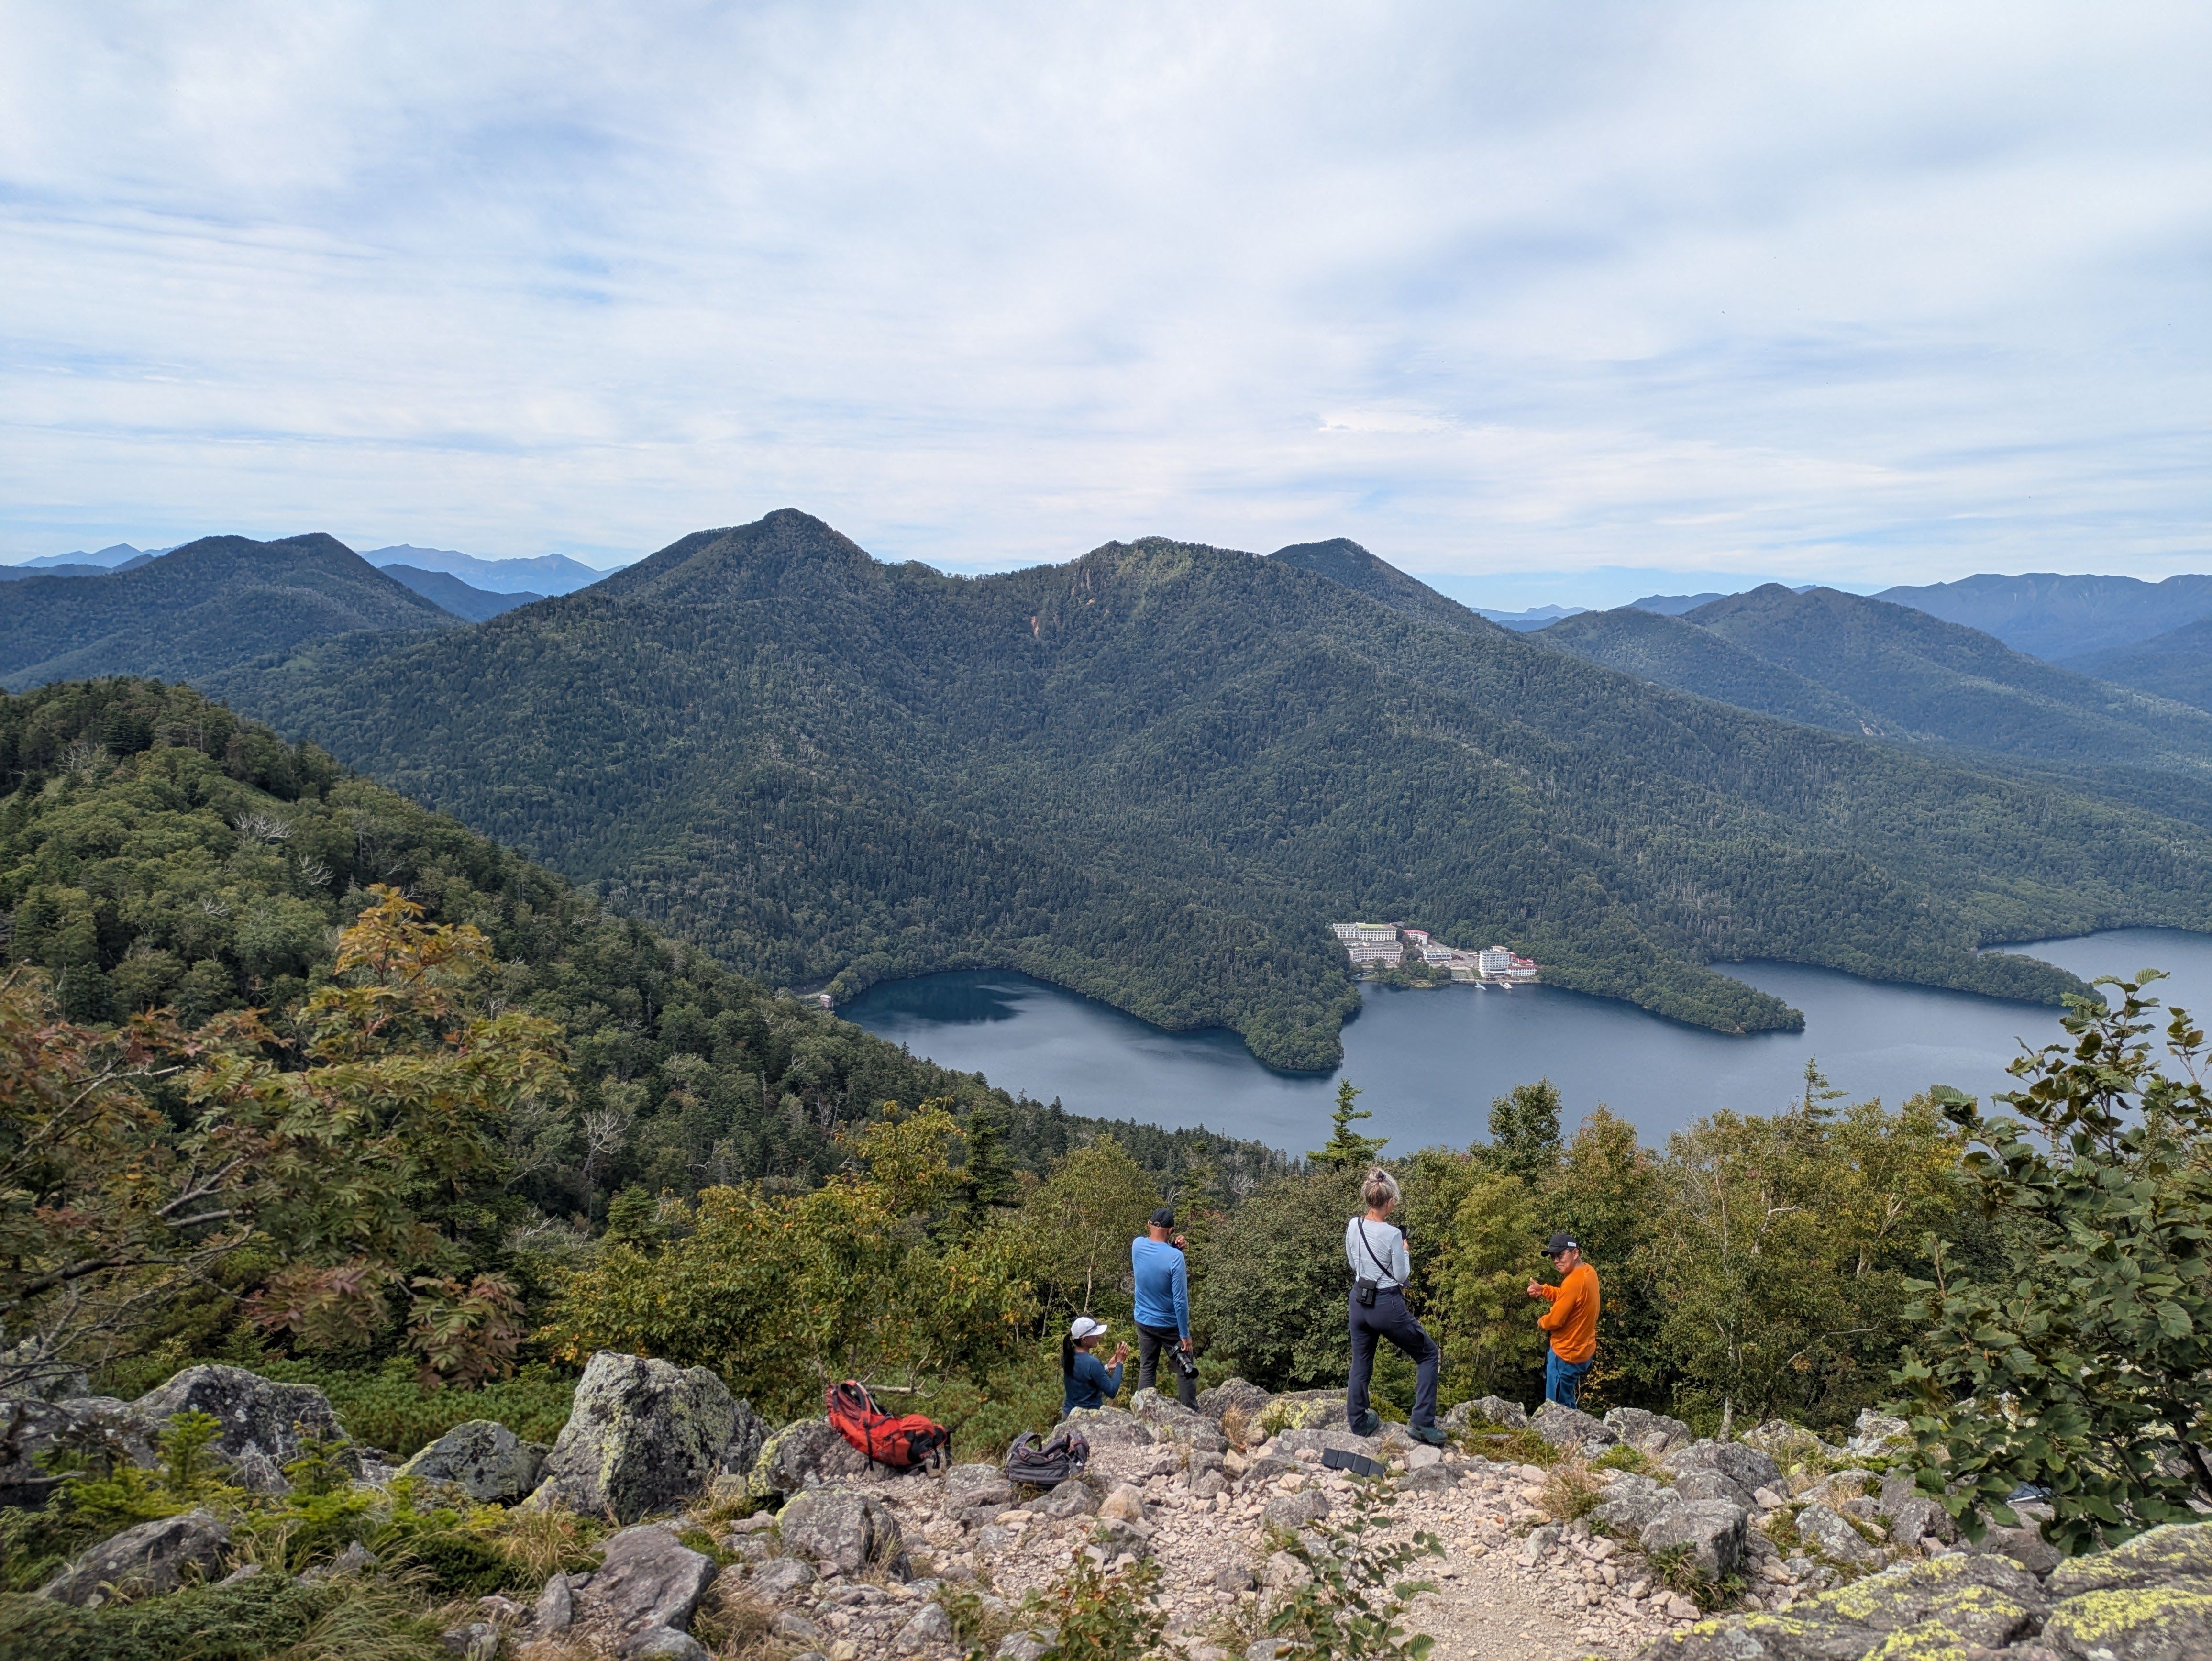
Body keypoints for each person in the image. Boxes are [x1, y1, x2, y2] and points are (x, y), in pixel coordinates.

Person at [1344, 1167, 1446, 1445]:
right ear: (1388, 1203)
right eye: (1394, 1201)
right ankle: (1422, 1423)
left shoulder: (1354, 1225)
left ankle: (1359, 1421)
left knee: (1361, 1360)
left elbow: (1354, 1264)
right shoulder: (1391, 1234)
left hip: (1358, 1300)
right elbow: (1402, 1276)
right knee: (1428, 1354)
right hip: (1386, 1304)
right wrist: (1405, 1252)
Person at [1131, 1207, 1196, 1408]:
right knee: (1185, 1367)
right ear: (1172, 1230)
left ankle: (1143, 1411)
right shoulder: (1176, 1258)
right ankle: (1190, 1412)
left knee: (1148, 1367)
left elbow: (1155, 1258)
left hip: (1144, 1321)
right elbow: (1180, 1300)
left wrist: (1173, 1247)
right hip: (1169, 1326)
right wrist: (1184, 1335)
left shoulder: (1137, 1245)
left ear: (1149, 1225)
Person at [1527, 1230, 1601, 1408]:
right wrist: (1544, 1290)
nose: (1556, 1261)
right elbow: (1571, 1298)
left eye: (1560, 1255)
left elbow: (1555, 1320)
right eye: (1553, 1257)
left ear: (1575, 1254)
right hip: (1584, 1350)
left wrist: (1542, 1321)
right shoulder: (1589, 1272)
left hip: (1566, 1354)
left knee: (1557, 1408)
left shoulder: (1573, 1281)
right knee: (1567, 1400)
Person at [1061, 1315, 1128, 1415]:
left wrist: (1107, 1368)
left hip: (1068, 1414)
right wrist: (1120, 1362)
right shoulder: (1092, 1363)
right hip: (1087, 1418)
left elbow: (1084, 1377)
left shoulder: (1067, 1356)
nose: (1098, 1336)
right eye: (1095, 1334)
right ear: (1084, 1340)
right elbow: (1112, 1391)